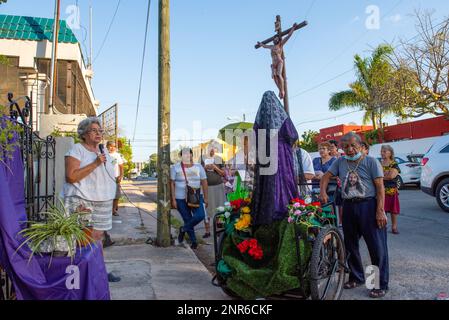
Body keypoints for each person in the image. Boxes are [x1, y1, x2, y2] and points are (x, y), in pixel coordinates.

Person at [320, 132, 389, 299]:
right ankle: (356, 277)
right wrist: (323, 192)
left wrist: (380, 210)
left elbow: (380, 188)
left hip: (369, 206)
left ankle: (377, 284)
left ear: (360, 146)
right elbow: (326, 177)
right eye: (346, 147)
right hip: (349, 207)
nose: (350, 150)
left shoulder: (371, 161)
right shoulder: (340, 162)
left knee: (376, 247)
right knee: (350, 245)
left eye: (353, 146)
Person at [63, 117, 121, 283]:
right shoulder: (77, 150)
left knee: (98, 237)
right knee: (84, 238)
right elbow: (71, 177)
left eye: (100, 131)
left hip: (103, 200)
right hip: (82, 198)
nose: (99, 134)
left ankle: (99, 269)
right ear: (84, 133)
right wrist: (95, 163)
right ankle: (84, 272)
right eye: (94, 130)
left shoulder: (104, 152)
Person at [252, 91, 299, 225]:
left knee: (267, 183)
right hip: (282, 155)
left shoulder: (259, 121)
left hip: (265, 156)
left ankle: (268, 211)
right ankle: (284, 209)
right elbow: (293, 135)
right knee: (283, 181)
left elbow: (254, 138)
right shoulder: (283, 118)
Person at [170, 148, 208, 249]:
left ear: (192, 155)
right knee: (187, 218)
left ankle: (183, 229)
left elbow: (204, 182)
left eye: (189, 154)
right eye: (184, 154)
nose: (187, 156)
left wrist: (206, 197)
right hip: (180, 198)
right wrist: (173, 199)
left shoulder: (199, 167)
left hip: (196, 197)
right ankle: (194, 241)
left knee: (200, 215)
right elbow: (172, 183)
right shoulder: (175, 167)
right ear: (181, 156)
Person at [257, 23, 297, 99]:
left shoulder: (280, 45)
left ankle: (282, 91)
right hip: (273, 63)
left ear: (278, 40)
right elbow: (264, 46)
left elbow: (288, 36)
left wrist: (293, 28)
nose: (275, 40)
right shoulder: (271, 46)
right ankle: (280, 90)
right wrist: (260, 44)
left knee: (278, 74)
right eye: (274, 39)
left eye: (276, 39)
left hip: (279, 62)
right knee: (274, 77)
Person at [201, 144, 225, 239]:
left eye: (213, 148)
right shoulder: (202, 159)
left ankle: (220, 230)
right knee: (206, 209)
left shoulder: (219, 159)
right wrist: (204, 168)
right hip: (206, 188)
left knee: (220, 208)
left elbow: (223, 173)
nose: (211, 150)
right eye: (209, 148)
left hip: (218, 187)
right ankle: (207, 231)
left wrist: (215, 167)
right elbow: (198, 173)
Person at [380, 145, 401, 234]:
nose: (382, 153)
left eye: (385, 151)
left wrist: (382, 175)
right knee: (382, 209)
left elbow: (391, 176)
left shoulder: (394, 164)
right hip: (381, 190)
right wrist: (386, 174)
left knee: (393, 210)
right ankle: (382, 226)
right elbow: (375, 176)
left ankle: (394, 227)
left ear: (390, 153)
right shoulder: (379, 163)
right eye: (382, 151)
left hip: (391, 191)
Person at [106, 141, 124, 217]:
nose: (112, 148)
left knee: (116, 195)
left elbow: (121, 166)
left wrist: (121, 176)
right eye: (110, 146)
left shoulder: (117, 155)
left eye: (114, 146)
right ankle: (107, 210)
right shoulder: (105, 154)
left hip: (115, 177)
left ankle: (113, 210)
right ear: (107, 146)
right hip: (106, 177)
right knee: (107, 195)